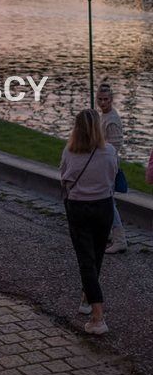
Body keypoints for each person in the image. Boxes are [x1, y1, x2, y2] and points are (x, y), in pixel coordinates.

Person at [60, 109, 118, 335]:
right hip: (103, 207)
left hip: (78, 207)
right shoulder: (110, 151)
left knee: (86, 260)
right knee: (97, 256)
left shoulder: (69, 151)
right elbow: (113, 175)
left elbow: (63, 177)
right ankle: (87, 297)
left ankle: (98, 316)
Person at [96, 82, 127, 254]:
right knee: (105, 200)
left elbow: (116, 145)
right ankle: (108, 233)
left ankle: (120, 239)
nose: (102, 103)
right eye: (100, 99)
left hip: (109, 166)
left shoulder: (112, 120)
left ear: (112, 99)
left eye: (106, 99)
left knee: (108, 201)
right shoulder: (103, 116)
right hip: (103, 163)